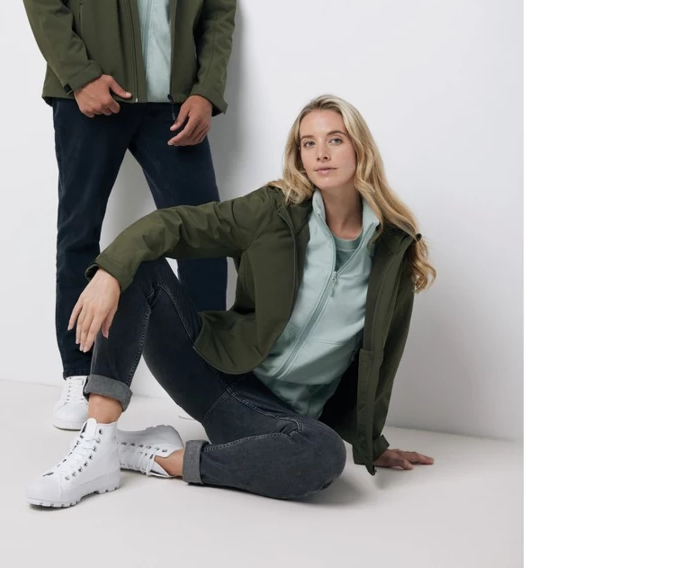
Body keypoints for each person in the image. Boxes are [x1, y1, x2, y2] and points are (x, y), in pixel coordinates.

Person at [25, 95, 436, 507]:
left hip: (272, 417)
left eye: (335, 140)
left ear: (360, 148)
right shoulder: (275, 211)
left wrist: (371, 443)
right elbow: (177, 224)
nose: (321, 154)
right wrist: (110, 272)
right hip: (213, 371)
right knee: (139, 265)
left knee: (324, 454)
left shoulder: (393, 252)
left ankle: (161, 459)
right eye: (308, 143)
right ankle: (99, 441)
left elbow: (382, 356)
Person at [21, 0, 236, 431]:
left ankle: (212, 379)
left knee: (204, 235)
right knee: (79, 234)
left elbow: (219, 11)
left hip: (173, 107)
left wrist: (205, 92)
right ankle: (78, 375)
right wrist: (80, 75)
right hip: (92, 98)